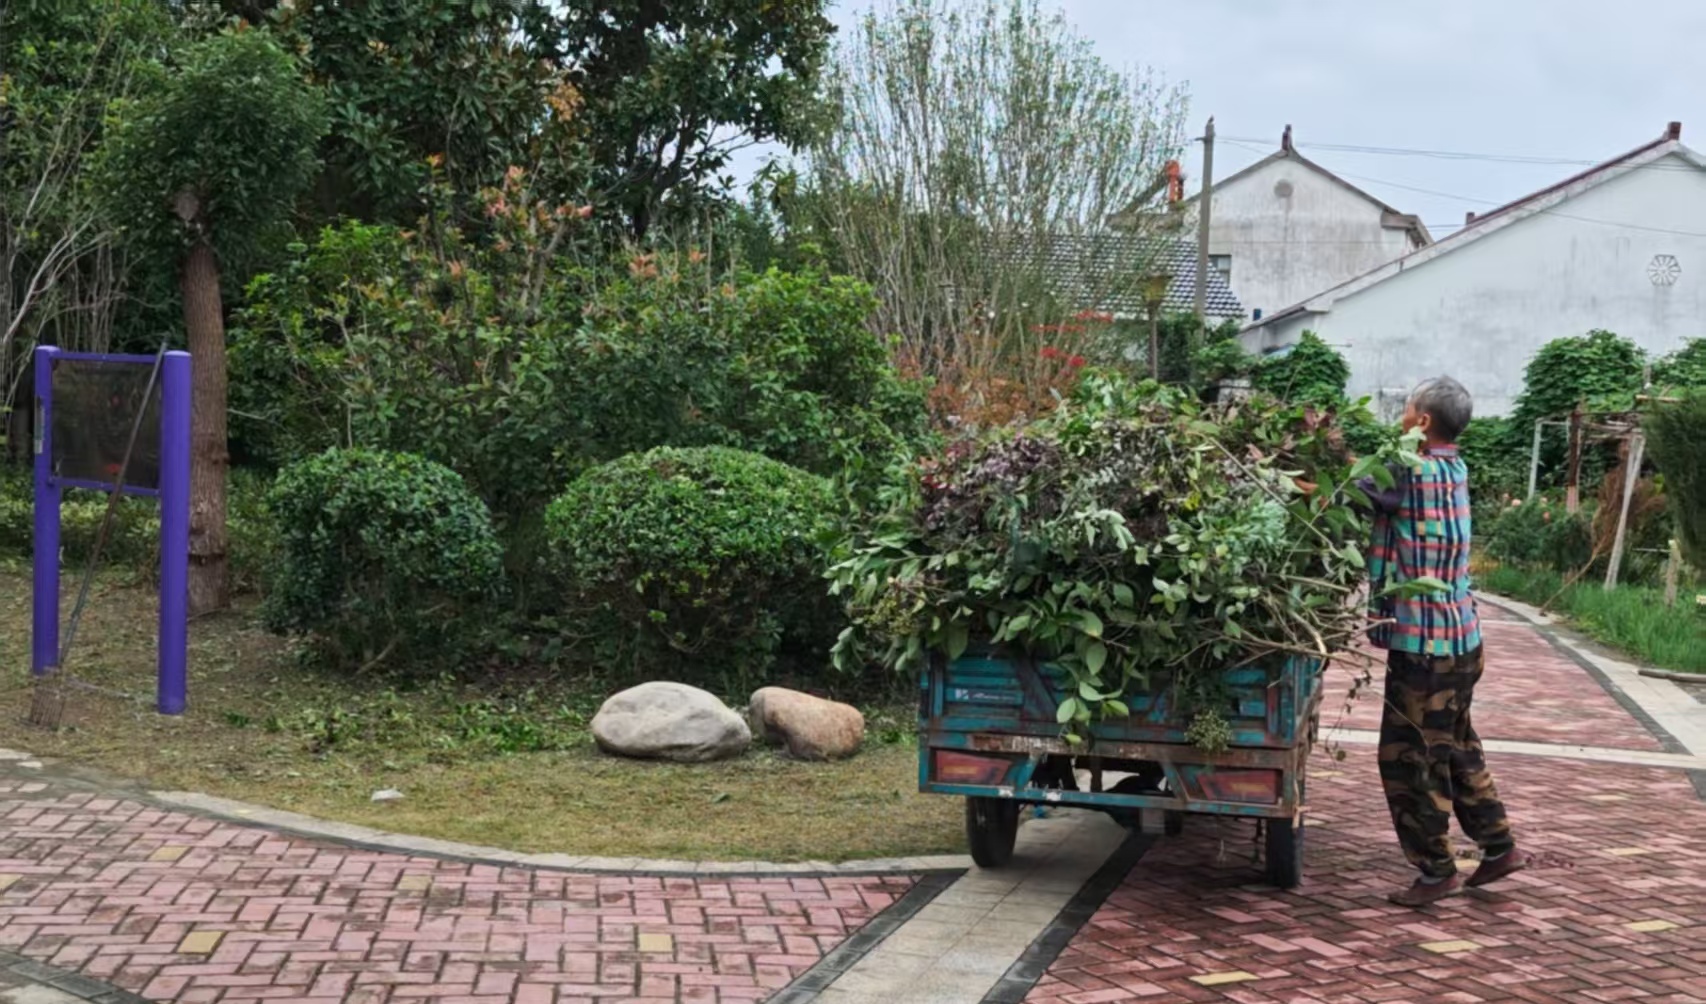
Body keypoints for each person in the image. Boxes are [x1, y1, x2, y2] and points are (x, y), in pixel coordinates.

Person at [1346, 377, 1532, 905]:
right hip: (1463, 639)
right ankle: (1499, 847)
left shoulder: (1406, 467)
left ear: (1422, 421)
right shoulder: (1454, 466)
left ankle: (1435, 870)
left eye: (1406, 409)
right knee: (1454, 746)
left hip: (1424, 647)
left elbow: (1346, 495)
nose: (1401, 416)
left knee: (1409, 758)